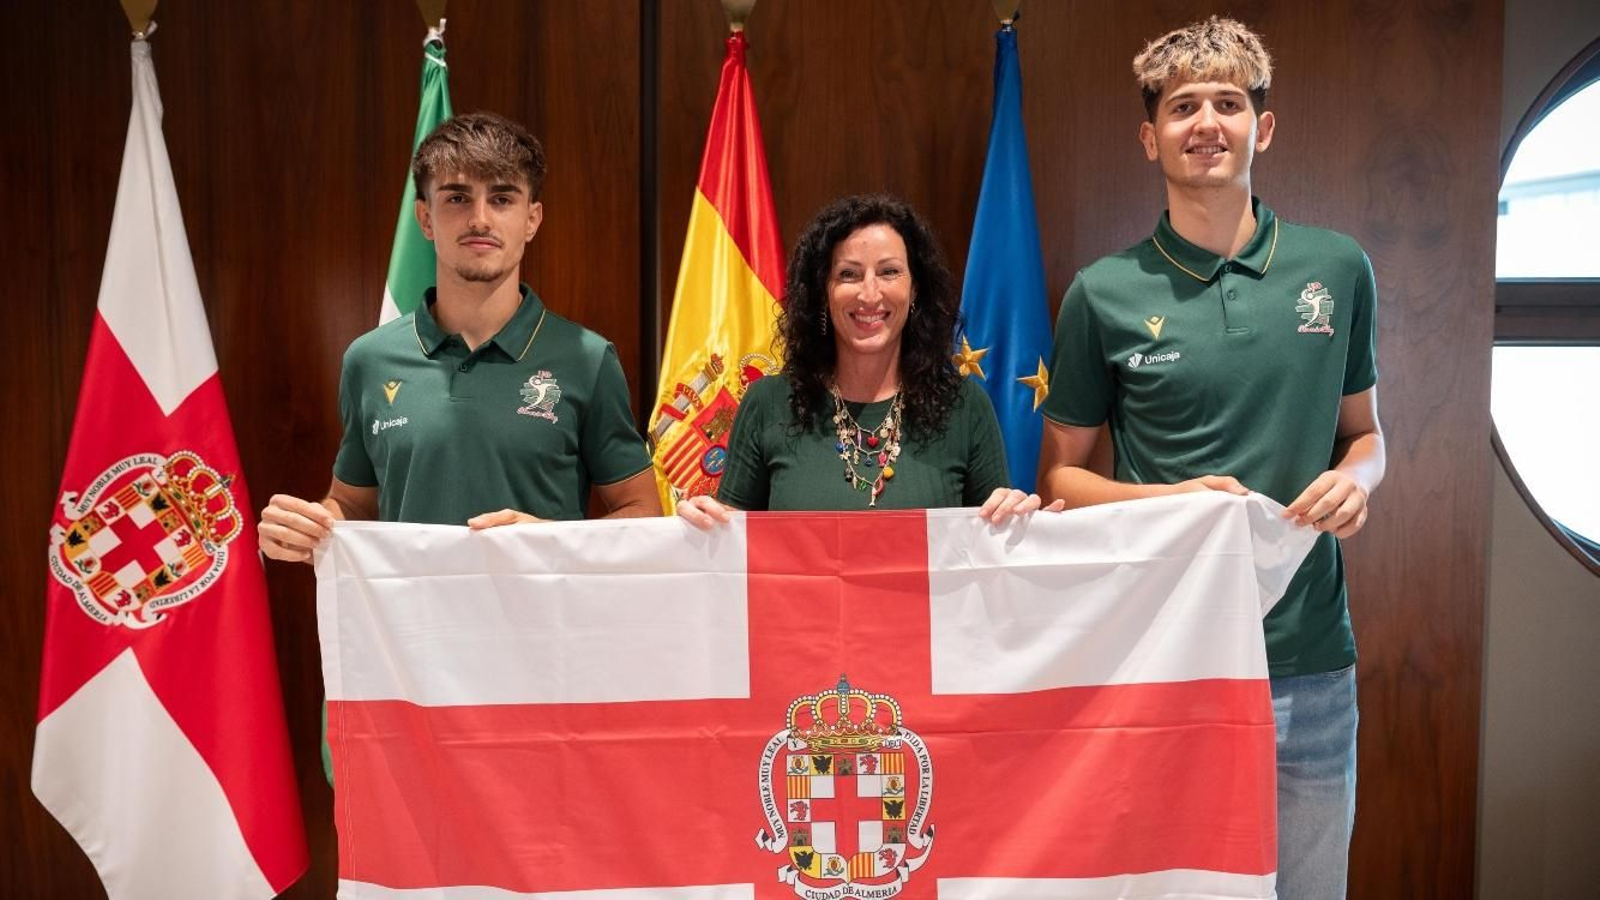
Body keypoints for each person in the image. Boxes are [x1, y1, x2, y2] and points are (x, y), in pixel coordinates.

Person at [1036, 18, 1385, 898]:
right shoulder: (1102, 293)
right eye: (1182, 106)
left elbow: (1367, 435)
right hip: (1164, 660)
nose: (1206, 123)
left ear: (1262, 129)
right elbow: (1060, 480)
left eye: (1228, 103)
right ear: (1150, 137)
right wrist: (1174, 499)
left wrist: (1357, 481)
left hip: (1308, 660)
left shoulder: (1338, 269)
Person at [258, 112, 660, 776]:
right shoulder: (369, 361)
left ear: (532, 218)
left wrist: (553, 541)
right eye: (456, 197)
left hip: (541, 683)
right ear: (425, 217)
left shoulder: (586, 359)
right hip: (408, 679)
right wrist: (305, 527)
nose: (480, 218)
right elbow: (351, 506)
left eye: (502, 198)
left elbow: (643, 515)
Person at [677, 194, 1053, 528]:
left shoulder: (965, 406)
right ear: (823, 293)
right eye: (849, 275)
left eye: (889, 272)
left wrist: (1019, 525)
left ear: (915, 289)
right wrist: (701, 527)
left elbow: (990, 556)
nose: (870, 293)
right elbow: (732, 552)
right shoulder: (767, 403)